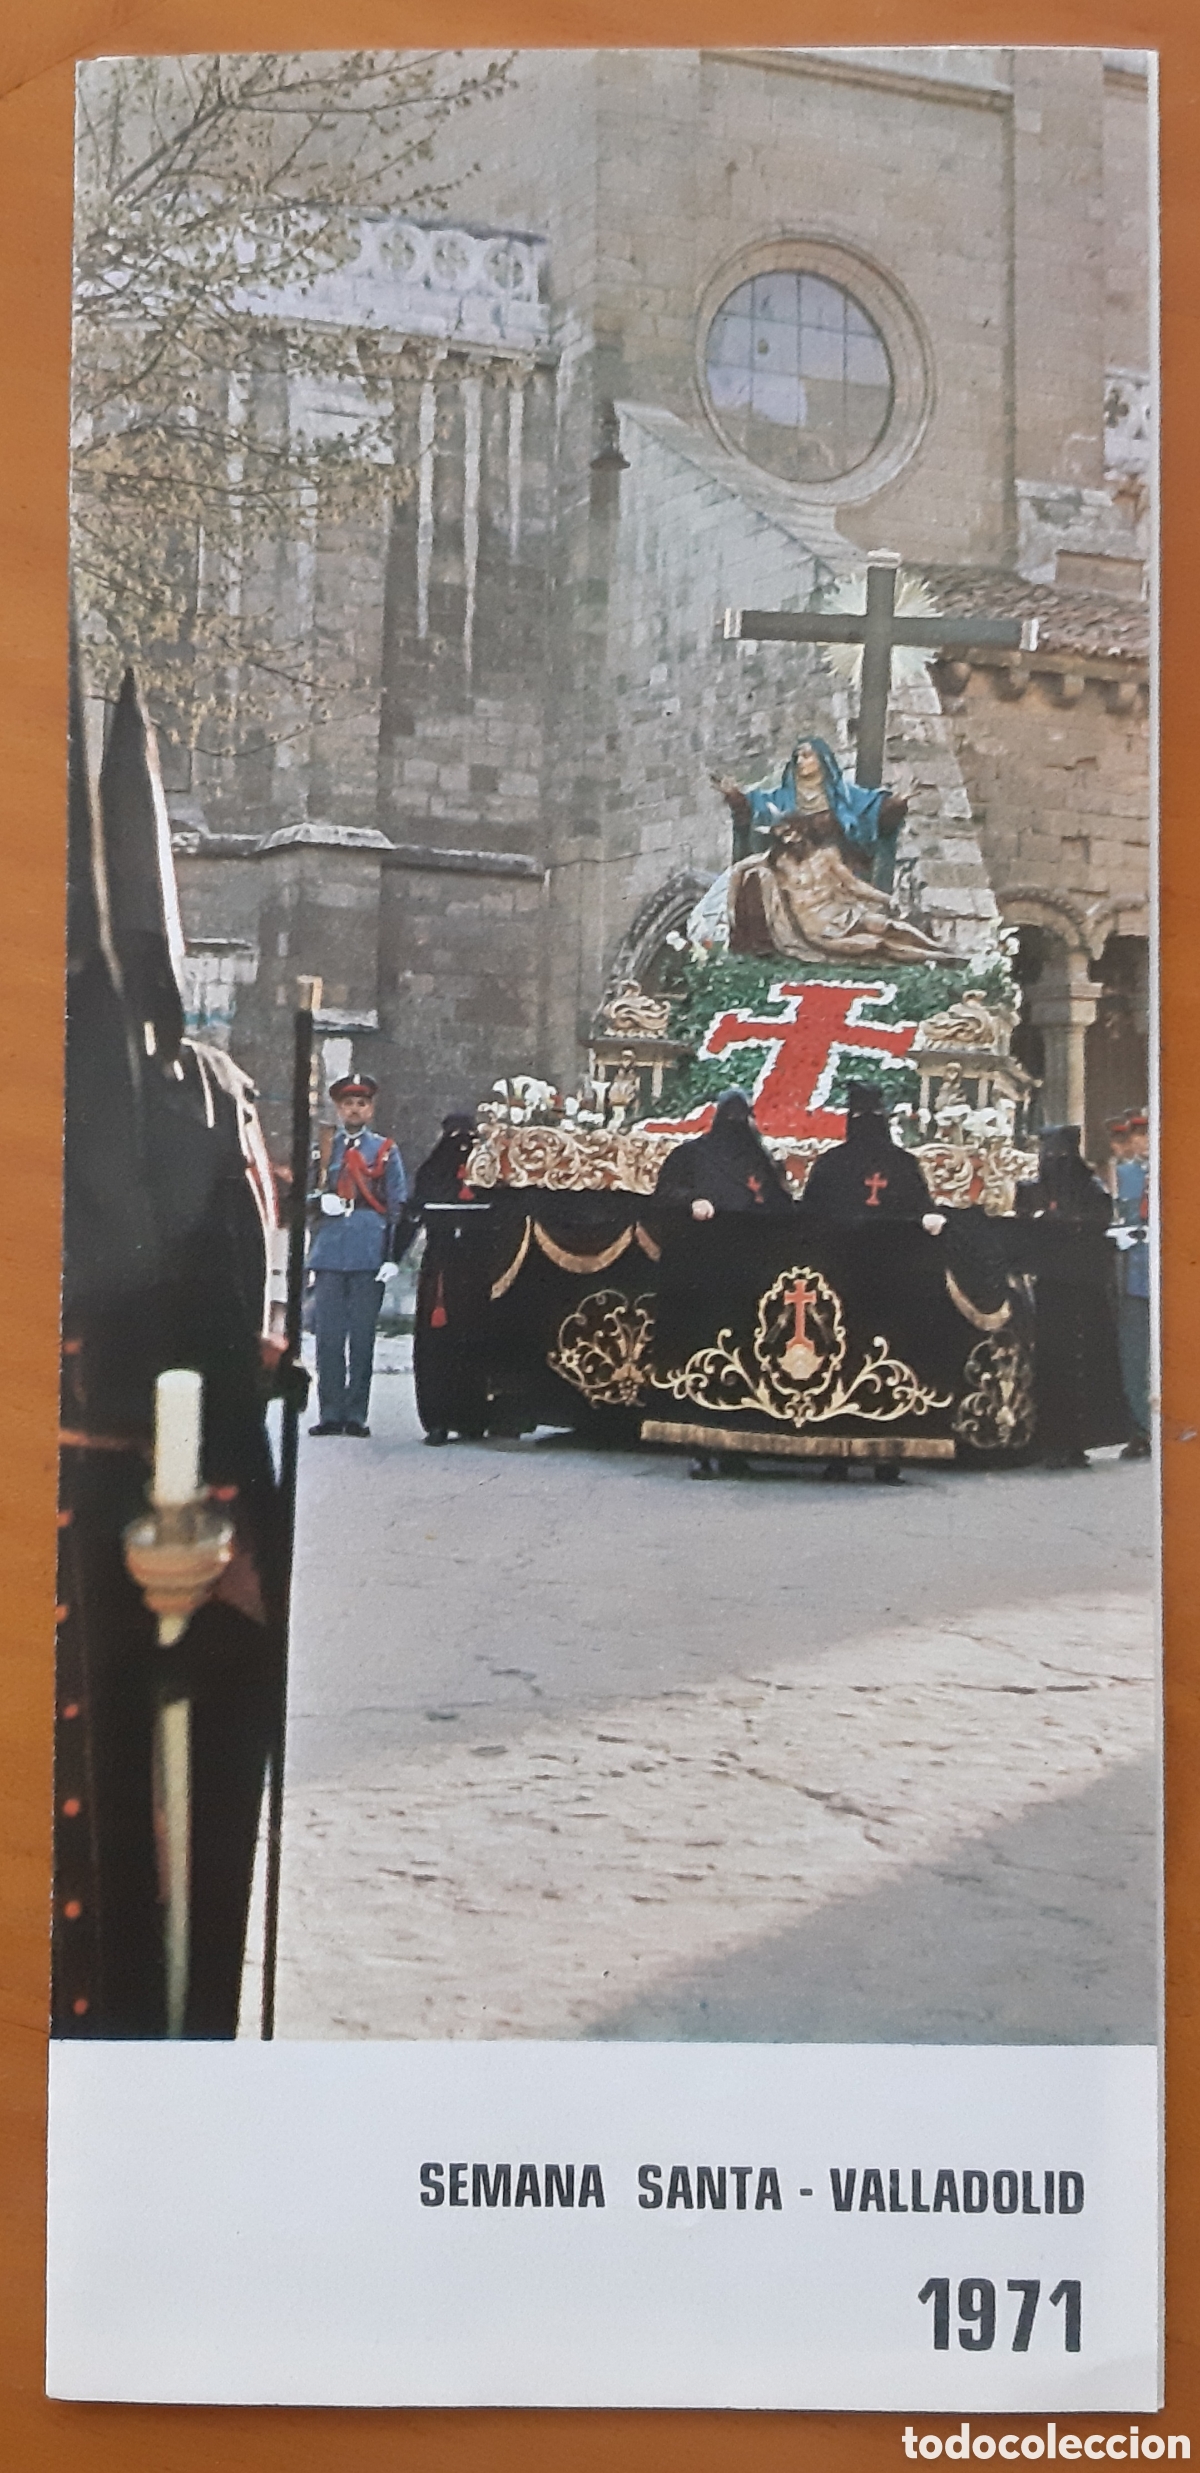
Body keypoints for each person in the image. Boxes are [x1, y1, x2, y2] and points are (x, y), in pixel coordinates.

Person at [800, 1082, 943, 1484]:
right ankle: (887, 1456)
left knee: (839, 1358)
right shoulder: (903, 1164)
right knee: (889, 1357)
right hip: (893, 1280)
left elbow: (809, 1218)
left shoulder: (830, 1163)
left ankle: (837, 1454)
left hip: (843, 1277)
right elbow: (924, 1214)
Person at [1015, 1123, 1129, 1470]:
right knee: (1052, 1364)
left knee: (1082, 1365)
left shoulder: (1091, 1188)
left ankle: (1078, 1442)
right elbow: (1022, 1230)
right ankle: (1050, 1440)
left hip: (1083, 1291)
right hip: (1051, 1289)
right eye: (1049, 1154)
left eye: (1060, 1154)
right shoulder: (1032, 1189)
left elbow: (1098, 1227)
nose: (1054, 1161)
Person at [308, 1073, 407, 1437]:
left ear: (371, 1109)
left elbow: (397, 1204)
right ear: (338, 1108)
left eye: (361, 1103)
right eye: (348, 1103)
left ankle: (356, 1414)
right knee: (328, 1338)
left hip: (369, 1247)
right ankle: (330, 1412)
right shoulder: (324, 1147)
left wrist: (392, 1256)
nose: (354, 1109)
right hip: (331, 1250)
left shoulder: (384, 1149)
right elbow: (304, 1195)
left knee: (361, 1337)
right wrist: (321, 1200)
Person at [802, 1081, 943, 1227]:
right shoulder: (904, 1161)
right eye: (862, 1114)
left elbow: (810, 1215)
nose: (867, 1121)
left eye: (873, 1114)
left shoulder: (830, 1160)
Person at [653, 1087, 795, 1218]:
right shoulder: (689, 1154)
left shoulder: (761, 1158)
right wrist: (693, 1201)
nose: (739, 1120)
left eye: (745, 1114)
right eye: (732, 1114)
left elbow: (780, 1207)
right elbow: (665, 1196)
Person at [1107, 1108, 1151, 1459]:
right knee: (1136, 1354)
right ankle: (1140, 1426)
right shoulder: (1126, 1173)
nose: (1142, 1142)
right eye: (1139, 1136)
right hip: (1137, 1271)